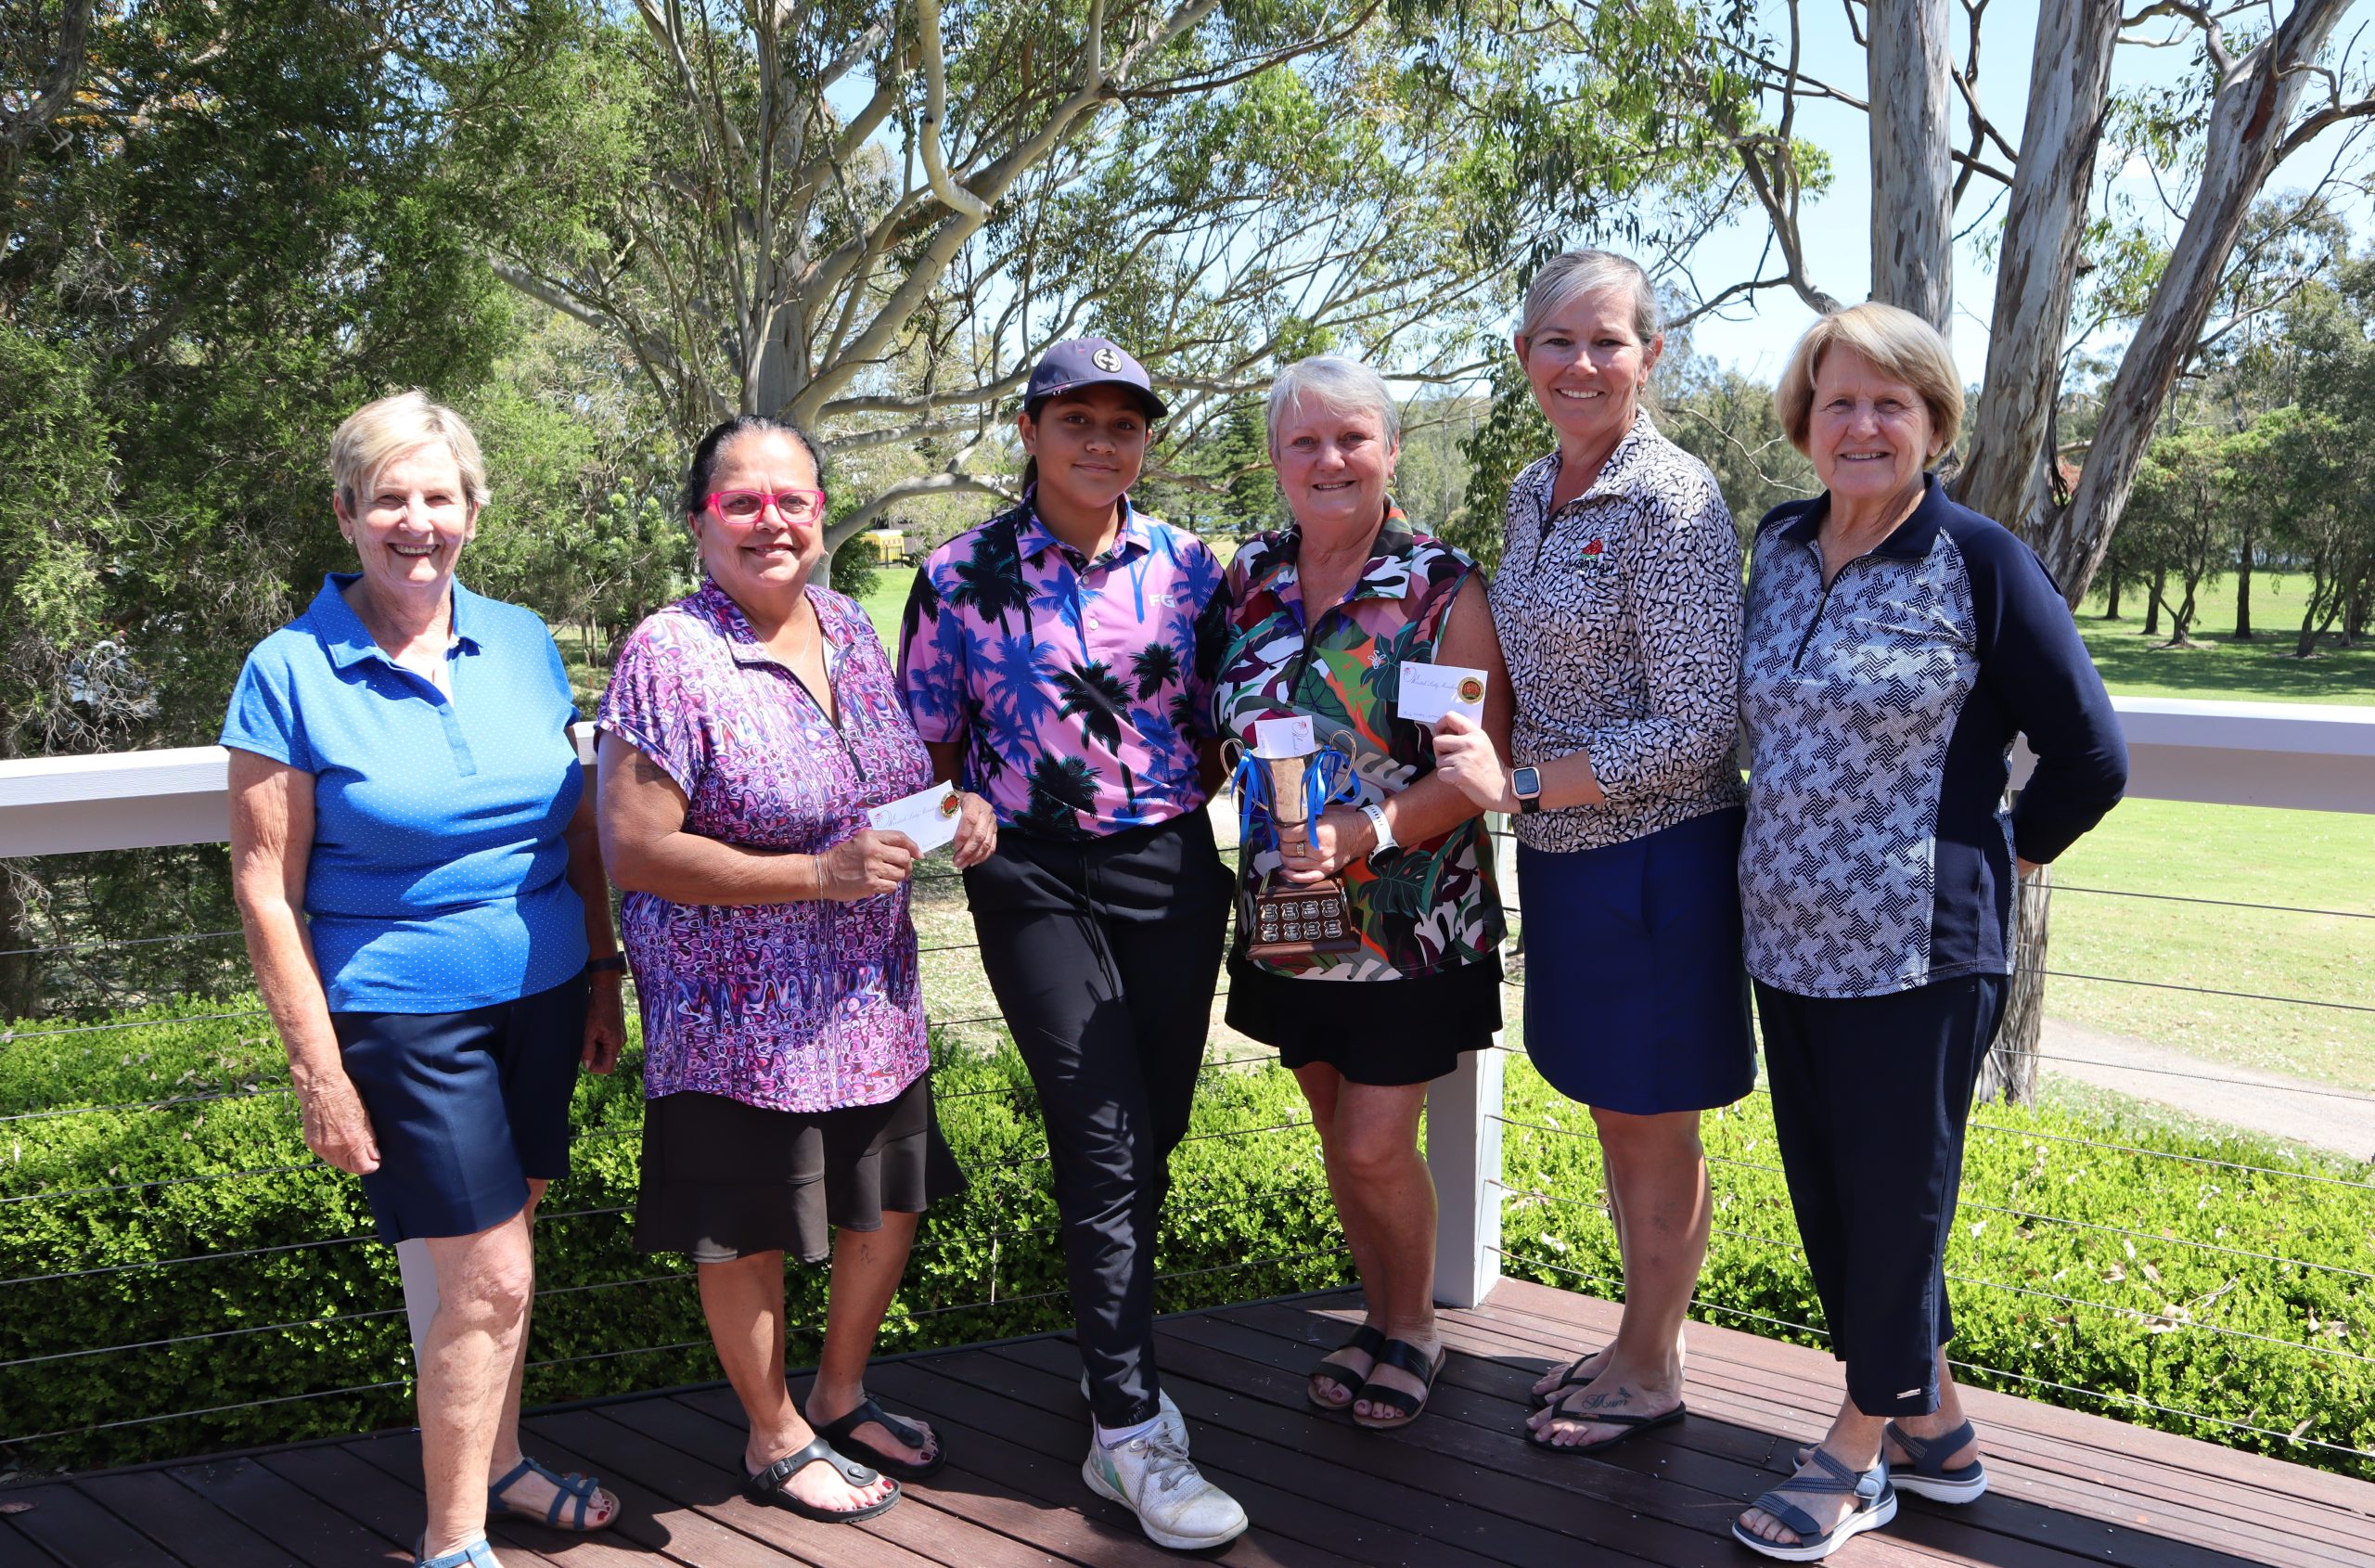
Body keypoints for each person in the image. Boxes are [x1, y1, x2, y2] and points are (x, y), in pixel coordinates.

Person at [1728, 303, 2126, 1561]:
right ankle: (1938, 1427)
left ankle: (1857, 1451)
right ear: (1805, 419)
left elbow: (2091, 753)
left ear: (1933, 423)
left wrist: (2008, 848)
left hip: (1920, 951)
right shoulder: (1782, 546)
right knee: (1836, 1202)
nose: (1862, 425)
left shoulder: (1980, 560)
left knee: (1896, 1204)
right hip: (1786, 944)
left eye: (1891, 404)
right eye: (1839, 401)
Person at [224, 392, 627, 1568]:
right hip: (401, 1010)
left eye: (438, 497)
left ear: (473, 510)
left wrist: (601, 972)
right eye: (388, 499)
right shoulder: (289, 669)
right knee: (493, 1272)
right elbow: (262, 888)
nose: (416, 521)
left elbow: (578, 829)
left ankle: (497, 1466)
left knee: (500, 1254)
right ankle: (454, 1542)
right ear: (346, 514)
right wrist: (318, 1070)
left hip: (545, 989)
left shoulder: (523, 639)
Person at [597, 417, 995, 1527]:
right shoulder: (669, 652)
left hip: (869, 997)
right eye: (743, 501)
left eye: (793, 500)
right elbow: (635, 846)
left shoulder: (848, 624)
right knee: (749, 1225)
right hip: (737, 1015)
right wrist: (818, 875)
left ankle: (840, 1391)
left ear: (821, 516)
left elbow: (880, 789)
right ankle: (774, 1434)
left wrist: (954, 815)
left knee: (884, 1201)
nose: (771, 520)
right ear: (700, 522)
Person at [896, 338, 1248, 1551]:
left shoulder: (1196, 570)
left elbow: (1225, 724)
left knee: (1154, 1132)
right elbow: (922, 755)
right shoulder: (960, 574)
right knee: (1098, 1137)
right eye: (1077, 420)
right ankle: (1128, 1426)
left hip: (1170, 870)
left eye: (1125, 423)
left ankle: (1117, 1363)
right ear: (1031, 428)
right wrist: (968, 823)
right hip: (1033, 878)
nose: (1102, 442)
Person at [1432, 249, 1755, 1459]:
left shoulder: (1674, 500)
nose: (1580, 363)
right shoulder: (1533, 491)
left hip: (1656, 860)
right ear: (1524, 356)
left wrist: (1509, 785)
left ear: (1650, 355)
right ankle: (1642, 1340)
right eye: (1556, 341)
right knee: (1618, 1114)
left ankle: (1650, 1363)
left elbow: (1697, 729)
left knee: (1649, 1121)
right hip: (1565, 857)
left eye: (1607, 340)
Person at [1215, 354, 1512, 1434]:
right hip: (1289, 919)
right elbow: (1214, 721)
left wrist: (1363, 830)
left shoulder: (1439, 585)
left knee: (1373, 1143)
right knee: (1333, 1119)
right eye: (1304, 442)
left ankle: (1416, 1328)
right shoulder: (1246, 575)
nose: (1329, 459)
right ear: (1276, 460)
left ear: (1389, 450)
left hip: (1408, 921)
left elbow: (1479, 764)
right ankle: (1381, 1318)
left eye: (1351, 438)